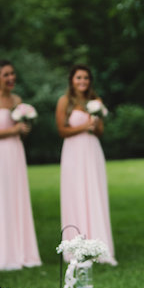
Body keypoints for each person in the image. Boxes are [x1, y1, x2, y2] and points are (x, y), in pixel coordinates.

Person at [0, 59, 41, 270]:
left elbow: (20, 126)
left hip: (15, 154)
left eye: (12, 73)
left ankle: (20, 251)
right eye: (6, 75)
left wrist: (24, 129)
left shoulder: (17, 99)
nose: (11, 78)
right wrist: (14, 130)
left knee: (16, 199)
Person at [56, 64, 117, 265]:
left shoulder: (95, 102)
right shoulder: (64, 102)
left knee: (94, 193)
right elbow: (62, 130)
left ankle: (98, 245)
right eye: (79, 77)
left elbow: (99, 132)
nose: (83, 81)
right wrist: (84, 126)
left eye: (86, 78)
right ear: (72, 80)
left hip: (92, 150)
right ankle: (75, 246)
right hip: (73, 152)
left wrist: (96, 122)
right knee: (75, 194)